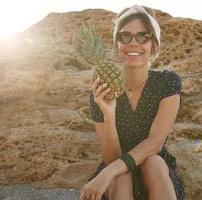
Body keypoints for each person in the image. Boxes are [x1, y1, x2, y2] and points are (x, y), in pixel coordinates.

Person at [79, 5, 185, 200]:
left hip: (153, 168)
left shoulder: (167, 82)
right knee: (121, 177)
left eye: (143, 36)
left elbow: (155, 143)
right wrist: (109, 114)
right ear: (117, 44)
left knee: (153, 162)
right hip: (117, 172)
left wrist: (108, 172)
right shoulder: (101, 91)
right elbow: (111, 158)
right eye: (125, 36)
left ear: (154, 45)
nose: (133, 43)